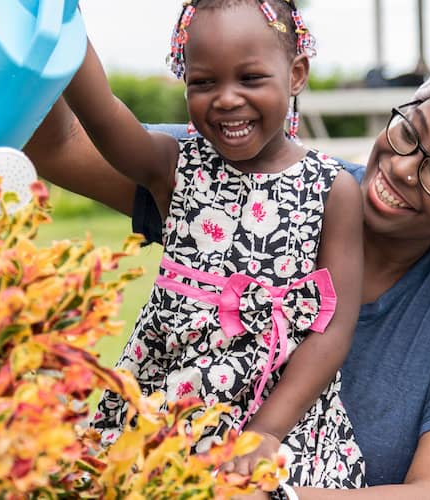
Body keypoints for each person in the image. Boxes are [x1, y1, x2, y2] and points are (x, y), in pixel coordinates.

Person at [26, 50, 430, 498]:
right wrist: (47, 32)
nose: (404, 167)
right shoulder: (263, 178)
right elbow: (60, 144)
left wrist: (254, 493)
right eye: (410, 132)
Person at [59, 0, 367, 488]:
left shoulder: (333, 190)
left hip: (278, 416)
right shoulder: (175, 164)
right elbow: (106, 116)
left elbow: (331, 332)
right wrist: (61, 25)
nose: (226, 99)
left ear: (296, 74)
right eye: (203, 82)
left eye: (250, 78)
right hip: (170, 404)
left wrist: (266, 434)